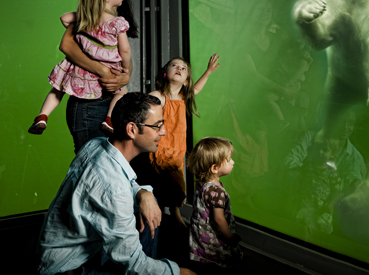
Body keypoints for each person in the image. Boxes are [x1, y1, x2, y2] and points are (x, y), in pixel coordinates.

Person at [35, 92, 196, 275]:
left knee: (150, 207)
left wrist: (143, 193)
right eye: (158, 126)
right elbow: (136, 266)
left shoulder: (96, 145)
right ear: (132, 130)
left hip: (57, 254)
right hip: (68, 268)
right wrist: (181, 272)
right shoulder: (114, 188)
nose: (164, 132)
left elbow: (116, 182)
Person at [28, 0, 130, 138]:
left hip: (79, 71)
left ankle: (43, 115)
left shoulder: (84, 20)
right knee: (122, 92)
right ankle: (109, 119)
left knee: (58, 88)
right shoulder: (117, 23)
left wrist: (81, 16)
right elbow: (125, 50)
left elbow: (64, 18)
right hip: (102, 77)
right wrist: (125, 68)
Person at [58, 0, 141, 153]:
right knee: (91, 167)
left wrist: (126, 75)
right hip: (90, 102)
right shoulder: (93, 12)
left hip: (109, 100)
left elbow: (121, 55)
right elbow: (67, 45)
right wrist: (103, 71)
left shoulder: (117, 15)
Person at [139, 55, 220, 228]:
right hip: (160, 147)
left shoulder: (183, 98)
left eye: (183, 69)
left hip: (177, 149)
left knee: (177, 183)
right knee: (159, 180)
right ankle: (164, 214)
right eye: (174, 65)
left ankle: (174, 212)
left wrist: (208, 71)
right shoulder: (158, 96)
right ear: (164, 74)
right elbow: (144, 111)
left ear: (186, 81)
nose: (179, 69)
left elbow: (196, 90)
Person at [186, 137, 242, 274]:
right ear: (215, 168)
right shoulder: (215, 191)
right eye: (229, 160)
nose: (233, 162)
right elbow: (218, 219)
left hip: (200, 238)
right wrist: (230, 236)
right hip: (213, 242)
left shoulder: (201, 184)